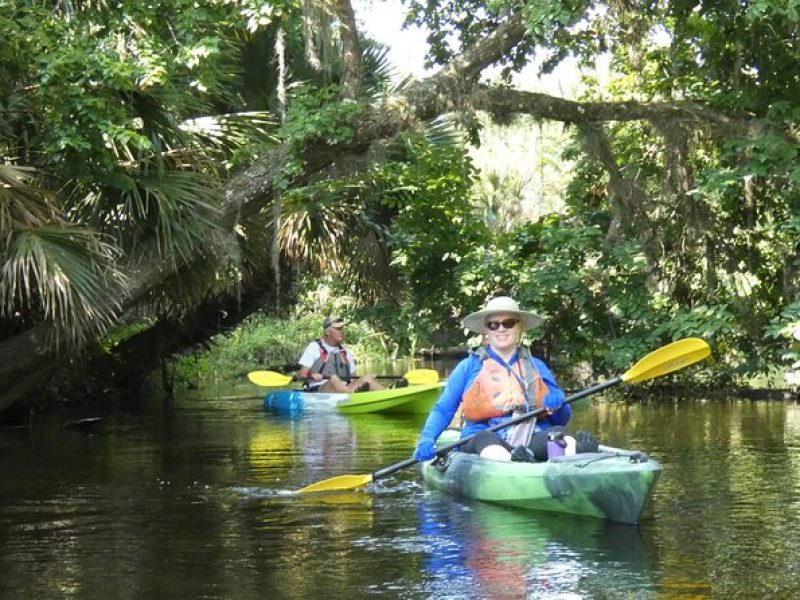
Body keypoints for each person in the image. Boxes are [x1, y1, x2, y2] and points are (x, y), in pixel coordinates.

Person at [413, 296, 597, 463]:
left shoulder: (536, 365)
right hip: (485, 439)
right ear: (487, 330)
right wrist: (427, 439)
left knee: (557, 434)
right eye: (494, 325)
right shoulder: (469, 366)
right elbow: (444, 408)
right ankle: (513, 461)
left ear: (519, 327)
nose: (501, 329)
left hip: (531, 436)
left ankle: (576, 452)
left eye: (508, 323)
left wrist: (558, 405)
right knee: (484, 439)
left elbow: (561, 418)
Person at [297, 315, 384, 393]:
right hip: (320, 389)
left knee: (367, 378)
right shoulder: (314, 347)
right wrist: (312, 376)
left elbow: (352, 377)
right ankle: (352, 397)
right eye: (338, 329)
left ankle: (389, 393)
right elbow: (302, 375)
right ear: (327, 332)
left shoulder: (344, 351)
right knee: (334, 379)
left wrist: (362, 379)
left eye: (342, 328)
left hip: (345, 388)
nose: (342, 332)